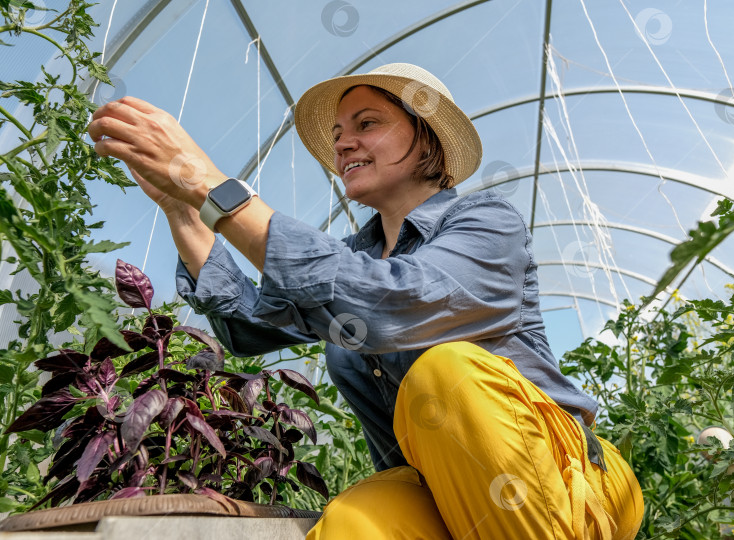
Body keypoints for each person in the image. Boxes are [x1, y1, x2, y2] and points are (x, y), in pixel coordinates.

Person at [89, 63, 643, 539]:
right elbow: (249, 326)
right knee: (354, 521)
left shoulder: (485, 223)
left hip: (569, 481)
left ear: (427, 139)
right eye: (337, 132)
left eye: (367, 123)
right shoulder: (352, 254)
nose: (342, 142)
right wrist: (183, 208)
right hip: (438, 493)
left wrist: (214, 184)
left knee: (445, 372)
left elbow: (390, 301)